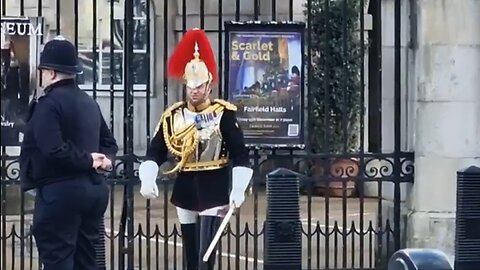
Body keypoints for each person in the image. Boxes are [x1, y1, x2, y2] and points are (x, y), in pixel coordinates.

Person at [138, 28, 253, 270]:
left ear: (208, 85)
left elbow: (240, 154)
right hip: (186, 183)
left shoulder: (224, 114)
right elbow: (156, 150)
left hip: (215, 183)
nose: (194, 90)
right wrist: (148, 174)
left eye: (199, 85)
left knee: (206, 252)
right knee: (191, 250)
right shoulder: (173, 115)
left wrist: (239, 187)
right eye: (191, 85)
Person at [19, 35, 118, 270]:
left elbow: (53, 149)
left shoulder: (49, 105)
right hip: (93, 193)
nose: (41, 76)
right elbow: (109, 142)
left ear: (51, 73)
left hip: (61, 195)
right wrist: (105, 160)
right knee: (87, 262)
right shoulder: (89, 102)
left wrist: (87, 160)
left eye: (43, 70)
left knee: (58, 261)